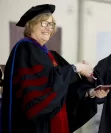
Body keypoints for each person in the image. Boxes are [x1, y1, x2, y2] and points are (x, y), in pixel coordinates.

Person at [1, 4, 104, 133]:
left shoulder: (51, 55)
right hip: (33, 127)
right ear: (31, 24)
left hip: (52, 123)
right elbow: (43, 88)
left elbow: (65, 86)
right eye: (45, 23)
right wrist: (76, 68)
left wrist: (89, 89)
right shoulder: (25, 49)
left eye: (52, 25)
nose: (49, 28)